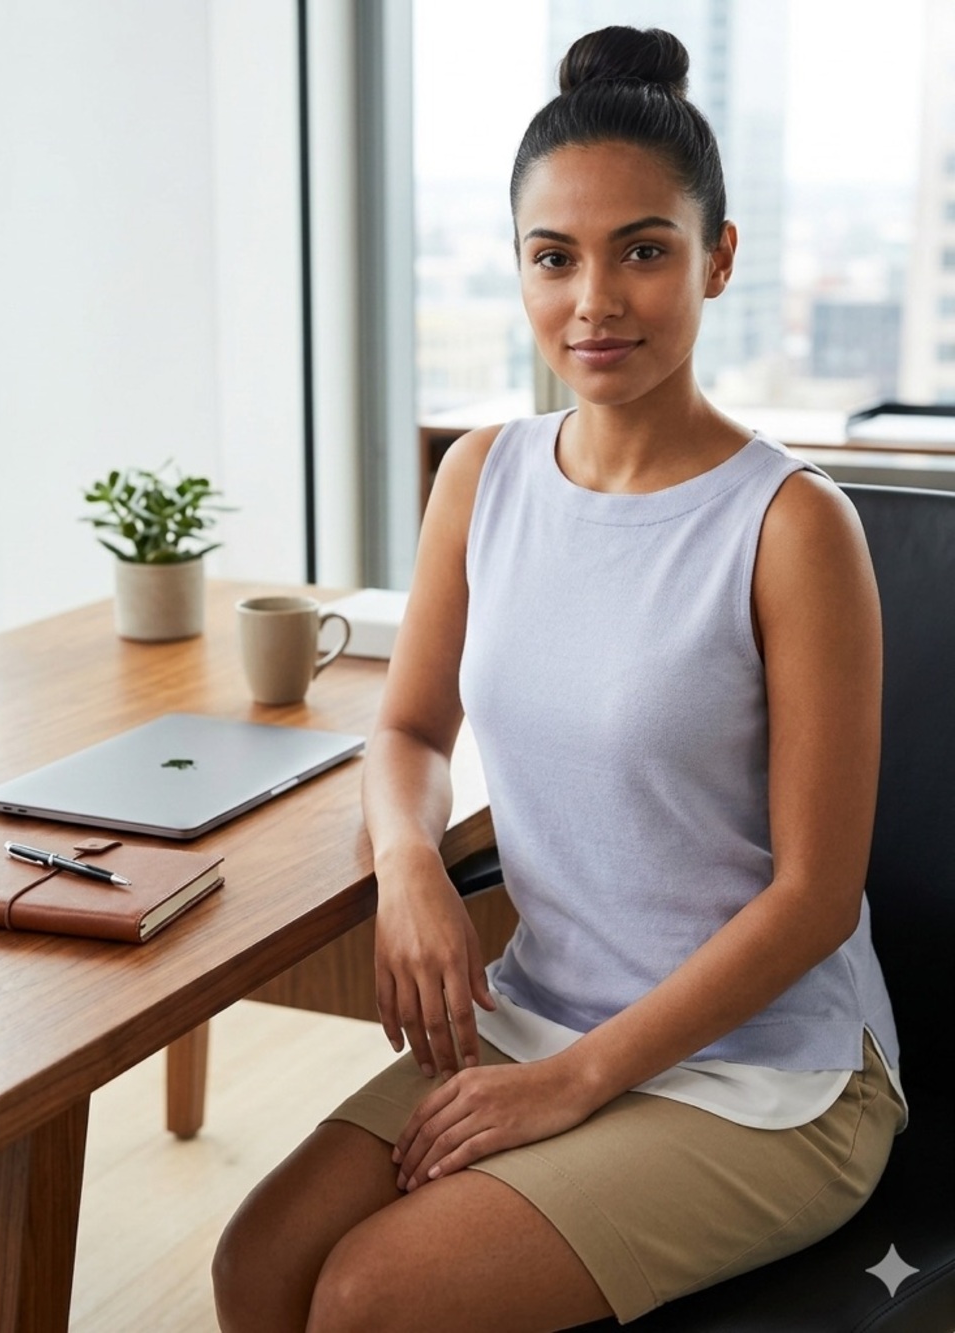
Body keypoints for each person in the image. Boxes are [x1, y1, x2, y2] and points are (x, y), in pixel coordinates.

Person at [212, 25, 906, 1332]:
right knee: (261, 1264)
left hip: (768, 1074)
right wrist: (412, 868)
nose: (595, 301)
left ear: (720, 258)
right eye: (555, 256)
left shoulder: (793, 526)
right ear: (520, 267)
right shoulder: (484, 477)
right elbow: (412, 727)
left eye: (644, 249)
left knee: (373, 1294)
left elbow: (816, 897)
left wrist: (577, 1082)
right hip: (543, 1012)